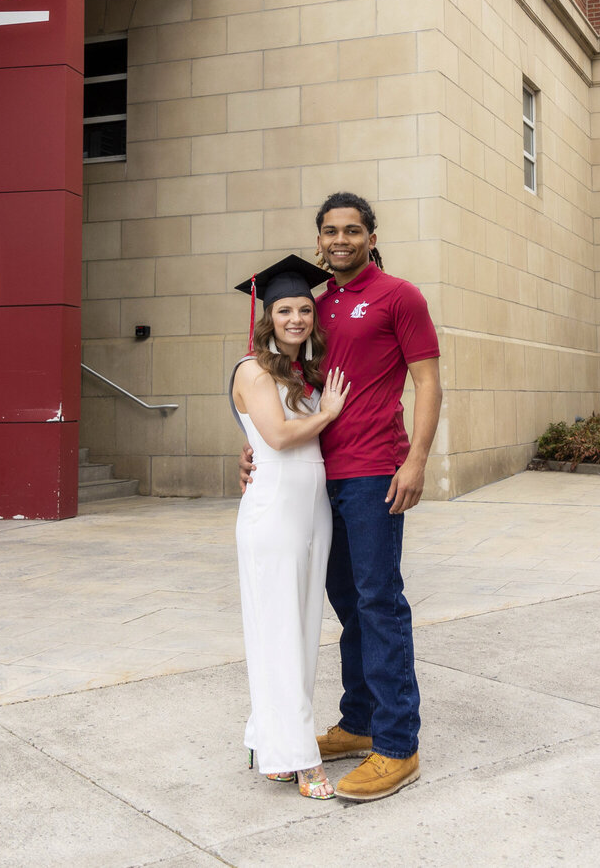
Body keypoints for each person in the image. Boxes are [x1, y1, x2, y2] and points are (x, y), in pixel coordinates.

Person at [241, 192, 442, 802]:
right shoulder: (315, 305)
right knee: (347, 604)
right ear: (319, 238)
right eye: (330, 231)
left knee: (379, 602)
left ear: (372, 237)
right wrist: (252, 446)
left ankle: (397, 744)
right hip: (317, 477)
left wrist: (417, 459)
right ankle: (358, 721)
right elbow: (284, 392)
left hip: (374, 471)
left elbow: (428, 381)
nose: (340, 241)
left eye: (352, 230)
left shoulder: (400, 296)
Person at [229, 255, 349, 800]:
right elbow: (276, 437)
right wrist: (328, 413)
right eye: (284, 310)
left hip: (312, 509)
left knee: (300, 632)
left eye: (304, 309)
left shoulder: (307, 373)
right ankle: (301, 758)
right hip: (274, 511)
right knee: (279, 632)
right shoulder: (251, 369)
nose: (296, 318)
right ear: (268, 316)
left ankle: (269, 741)